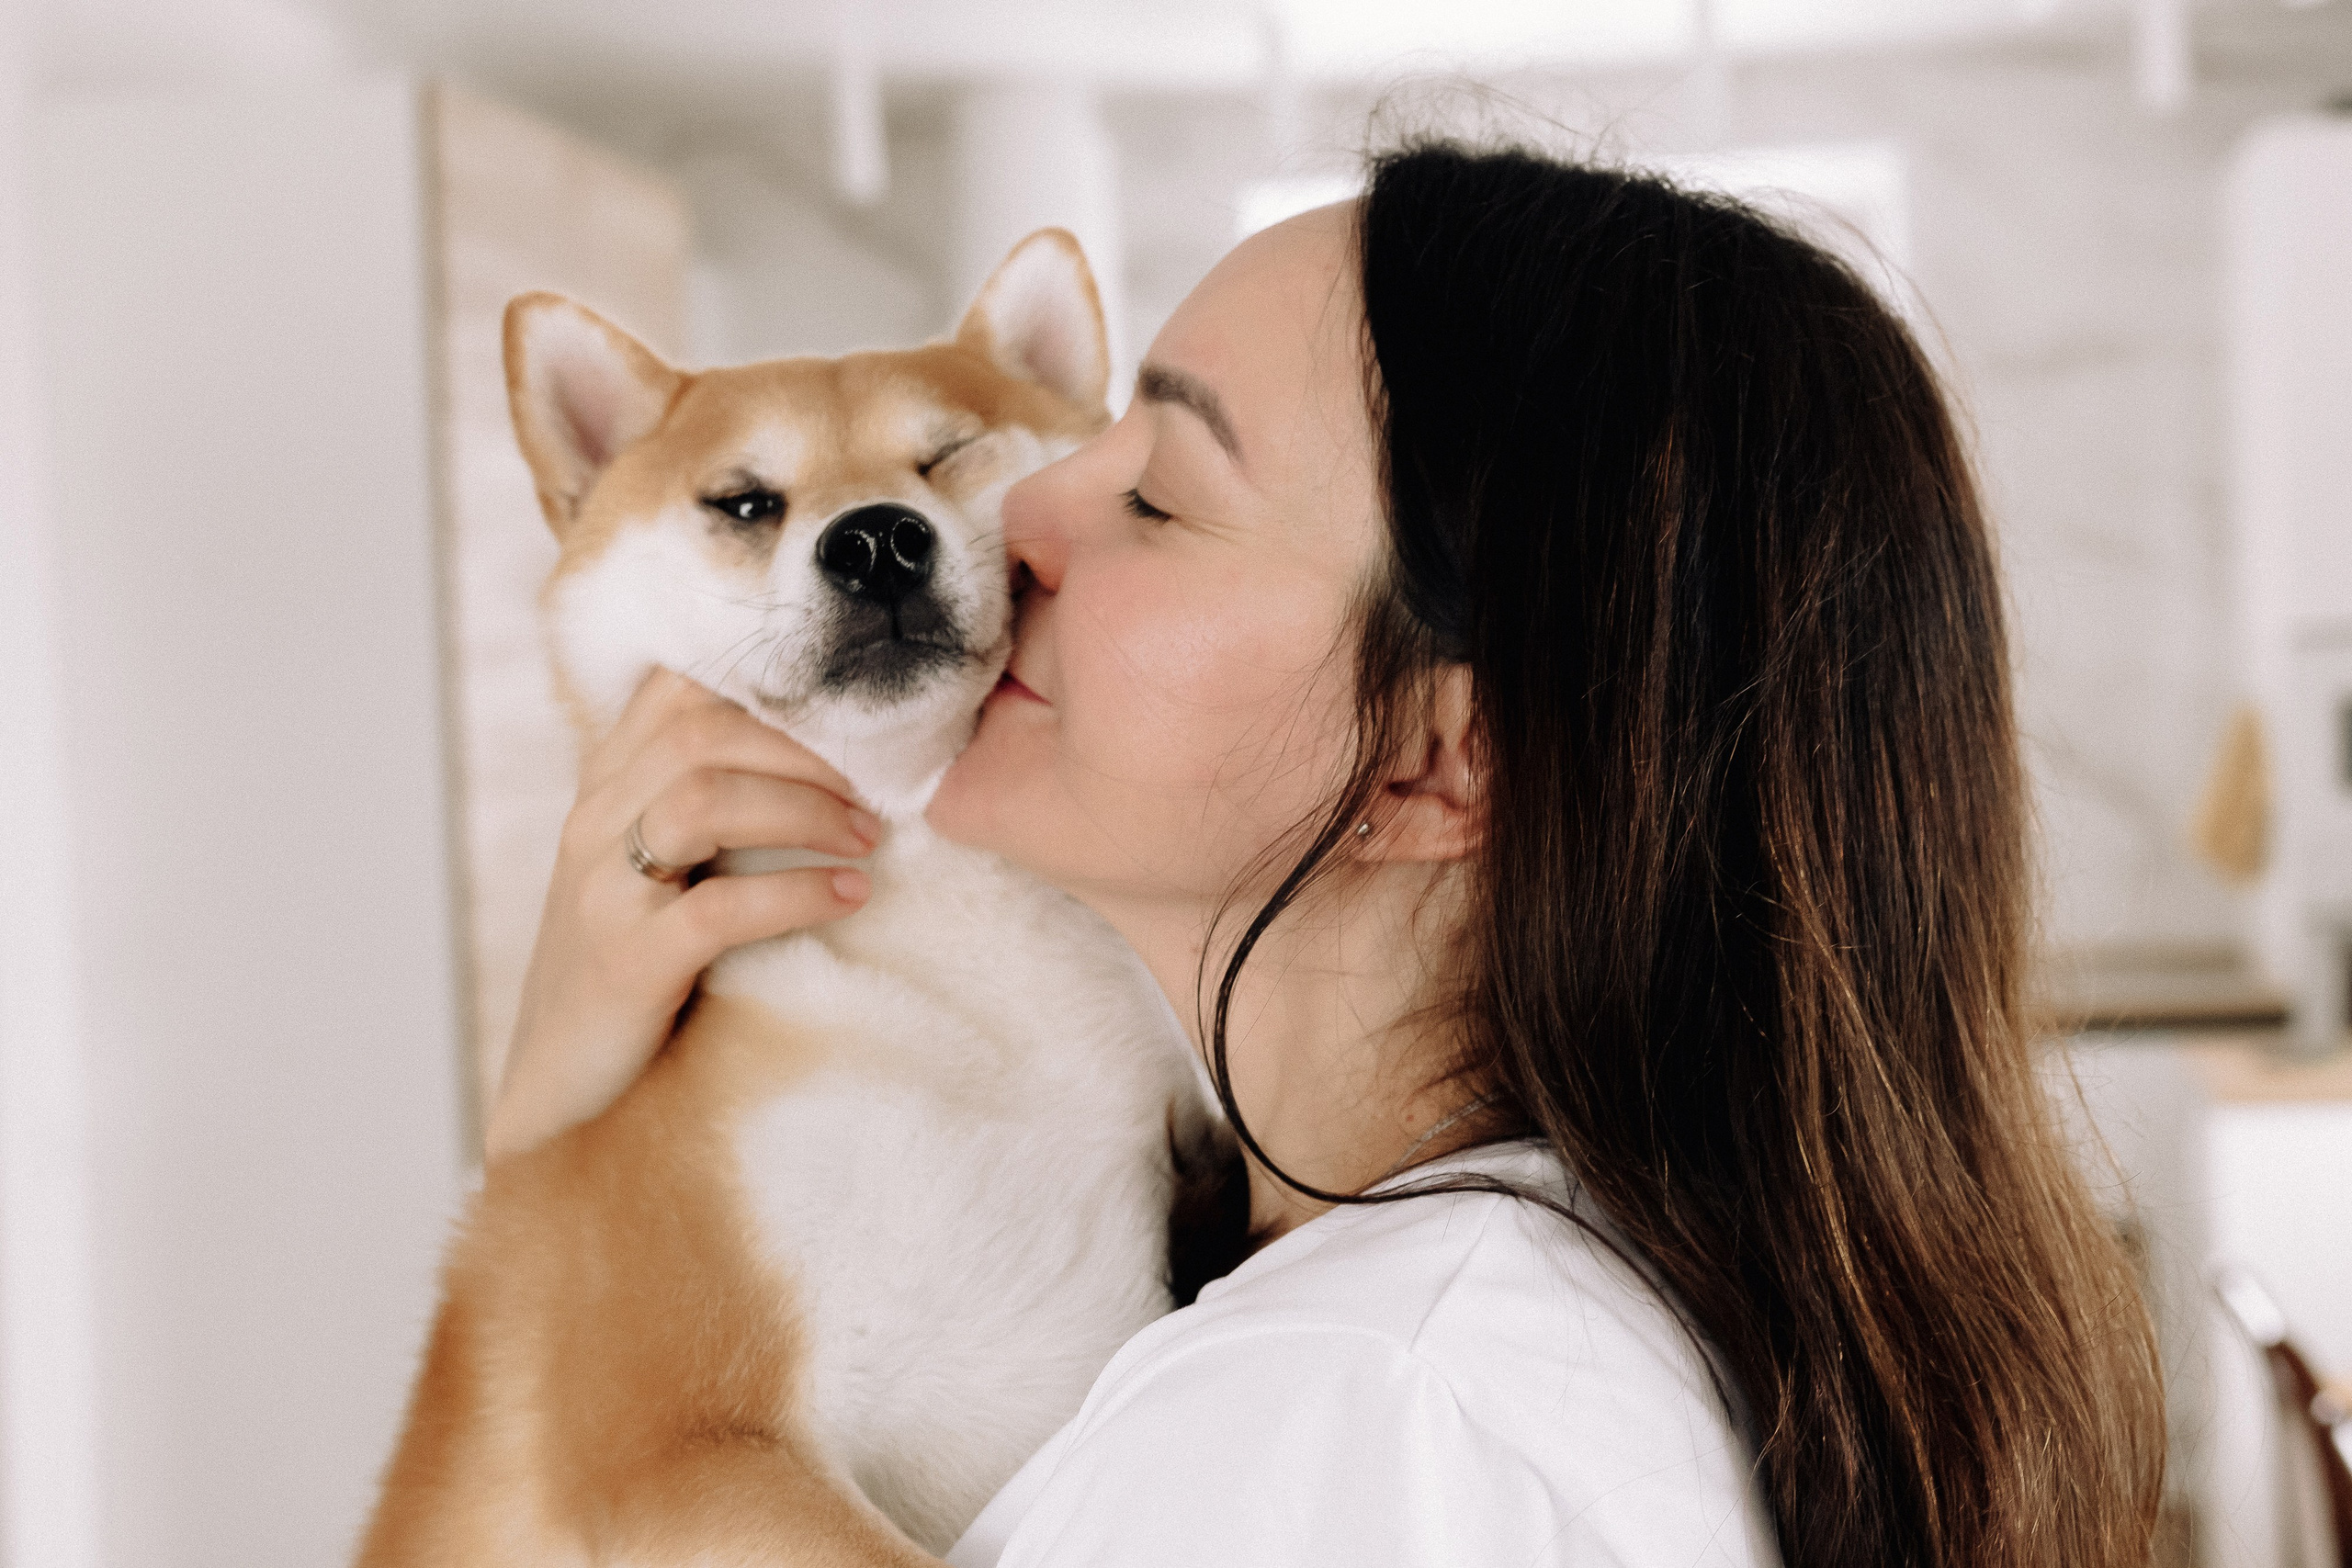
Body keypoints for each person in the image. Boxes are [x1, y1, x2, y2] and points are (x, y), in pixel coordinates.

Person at [486, 141, 2166, 1567]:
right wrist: (572, 1138)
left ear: (1440, 765)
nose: (1026, 518)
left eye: (1157, 495)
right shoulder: (1470, 1299)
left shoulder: (1355, 1416)